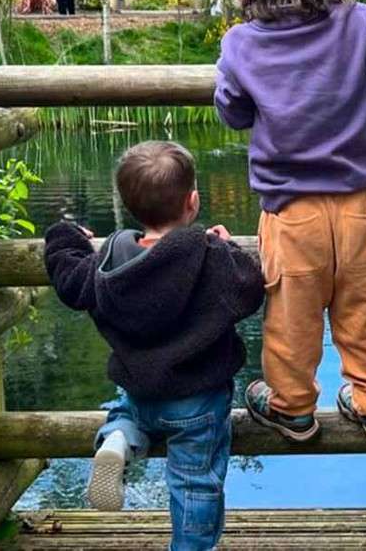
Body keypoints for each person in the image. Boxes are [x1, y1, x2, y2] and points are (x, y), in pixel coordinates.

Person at [214, 0, 366, 446]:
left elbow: (232, 112)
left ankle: (294, 409)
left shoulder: (240, 44)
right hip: (360, 204)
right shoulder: (361, 22)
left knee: (290, 316)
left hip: (290, 209)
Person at [43, 141, 264, 550]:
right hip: (198, 403)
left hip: (140, 391)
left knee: (128, 414)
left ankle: (119, 438)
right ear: (193, 201)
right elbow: (249, 288)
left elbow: (69, 279)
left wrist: (65, 236)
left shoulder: (111, 259)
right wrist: (228, 247)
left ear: (130, 207)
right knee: (195, 482)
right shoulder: (209, 255)